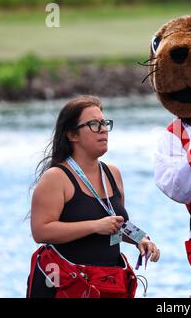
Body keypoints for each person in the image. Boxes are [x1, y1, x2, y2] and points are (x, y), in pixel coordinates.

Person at [26, 95, 160, 298]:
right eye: (94, 124)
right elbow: (41, 231)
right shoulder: (56, 177)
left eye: (105, 123)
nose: (104, 129)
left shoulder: (113, 173)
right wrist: (95, 226)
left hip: (108, 283)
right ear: (72, 135)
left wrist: (140, 239)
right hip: (66, 285)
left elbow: (116, 225)